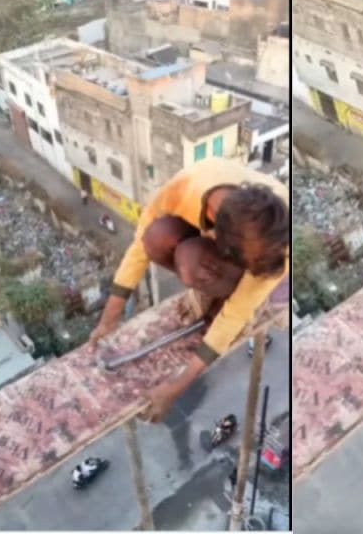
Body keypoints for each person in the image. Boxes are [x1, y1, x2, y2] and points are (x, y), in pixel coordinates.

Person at [87, 159, 290, 423]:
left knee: (216, 287)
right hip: (217, 235)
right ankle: (213, 287)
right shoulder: (186, 188)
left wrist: (176, 388)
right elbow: (139, 247)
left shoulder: (276, 243)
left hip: (259, 250)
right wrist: (109, 319)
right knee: (158, 236)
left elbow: (235, 315)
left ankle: (221, 296)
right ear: (215, 238)